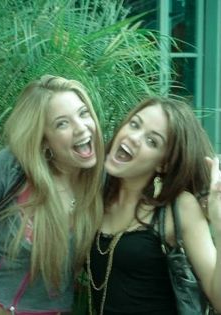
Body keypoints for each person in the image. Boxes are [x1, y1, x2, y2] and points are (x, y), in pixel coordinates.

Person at [87, 97, 221, 315]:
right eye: (134, 124)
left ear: (163, 163)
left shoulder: (178, 207)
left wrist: (219, 222)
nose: (134, 137)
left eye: (152, 141)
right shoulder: (96, 195)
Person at [0, 75, 105, 315]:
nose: (81, 127)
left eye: (83, 113)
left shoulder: (103, 182)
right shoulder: (15, 168)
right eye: (62, 123)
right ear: (44, 140)